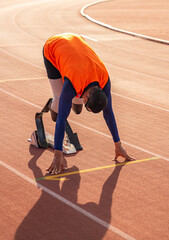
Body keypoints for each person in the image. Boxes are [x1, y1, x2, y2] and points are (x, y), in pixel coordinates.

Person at [43, 33, 135, 174]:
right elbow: (62, 118)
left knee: (77, 109)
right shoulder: (72, 84)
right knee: (59, 108)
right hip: (53, 47)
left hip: (75, 45)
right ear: (87, 97)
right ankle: (54, 104)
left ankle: (69, 102)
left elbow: (108, 112)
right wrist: (58, 154)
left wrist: (118, 144)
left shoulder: (104, 80)